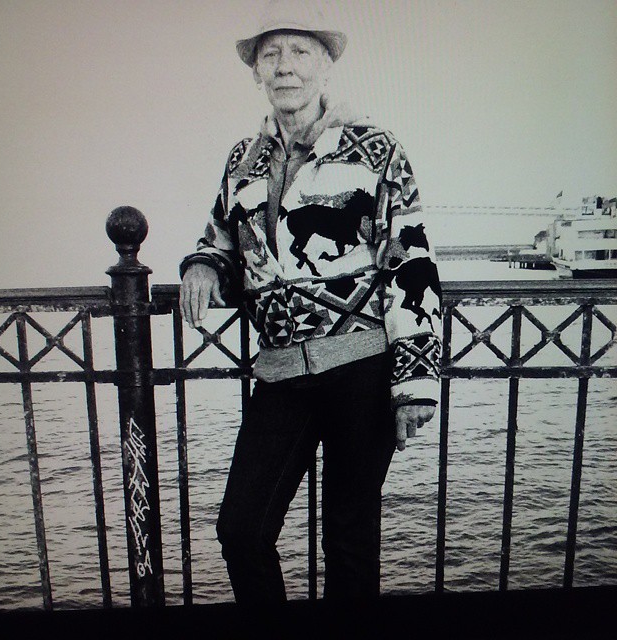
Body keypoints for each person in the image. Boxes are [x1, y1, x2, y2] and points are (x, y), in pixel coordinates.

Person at [179, 0, 442, 603]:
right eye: (271, 54)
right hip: (281, 374)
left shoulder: (375, 147)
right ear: (256, 72)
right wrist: (202, 264)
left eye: (299, 51)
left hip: (363, 369)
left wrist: (414, 382)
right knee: (241, 530)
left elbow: (412, 260)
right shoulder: (242, 159)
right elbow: (222, 237)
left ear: (325, 67)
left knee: (349, 541)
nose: (284, 66)